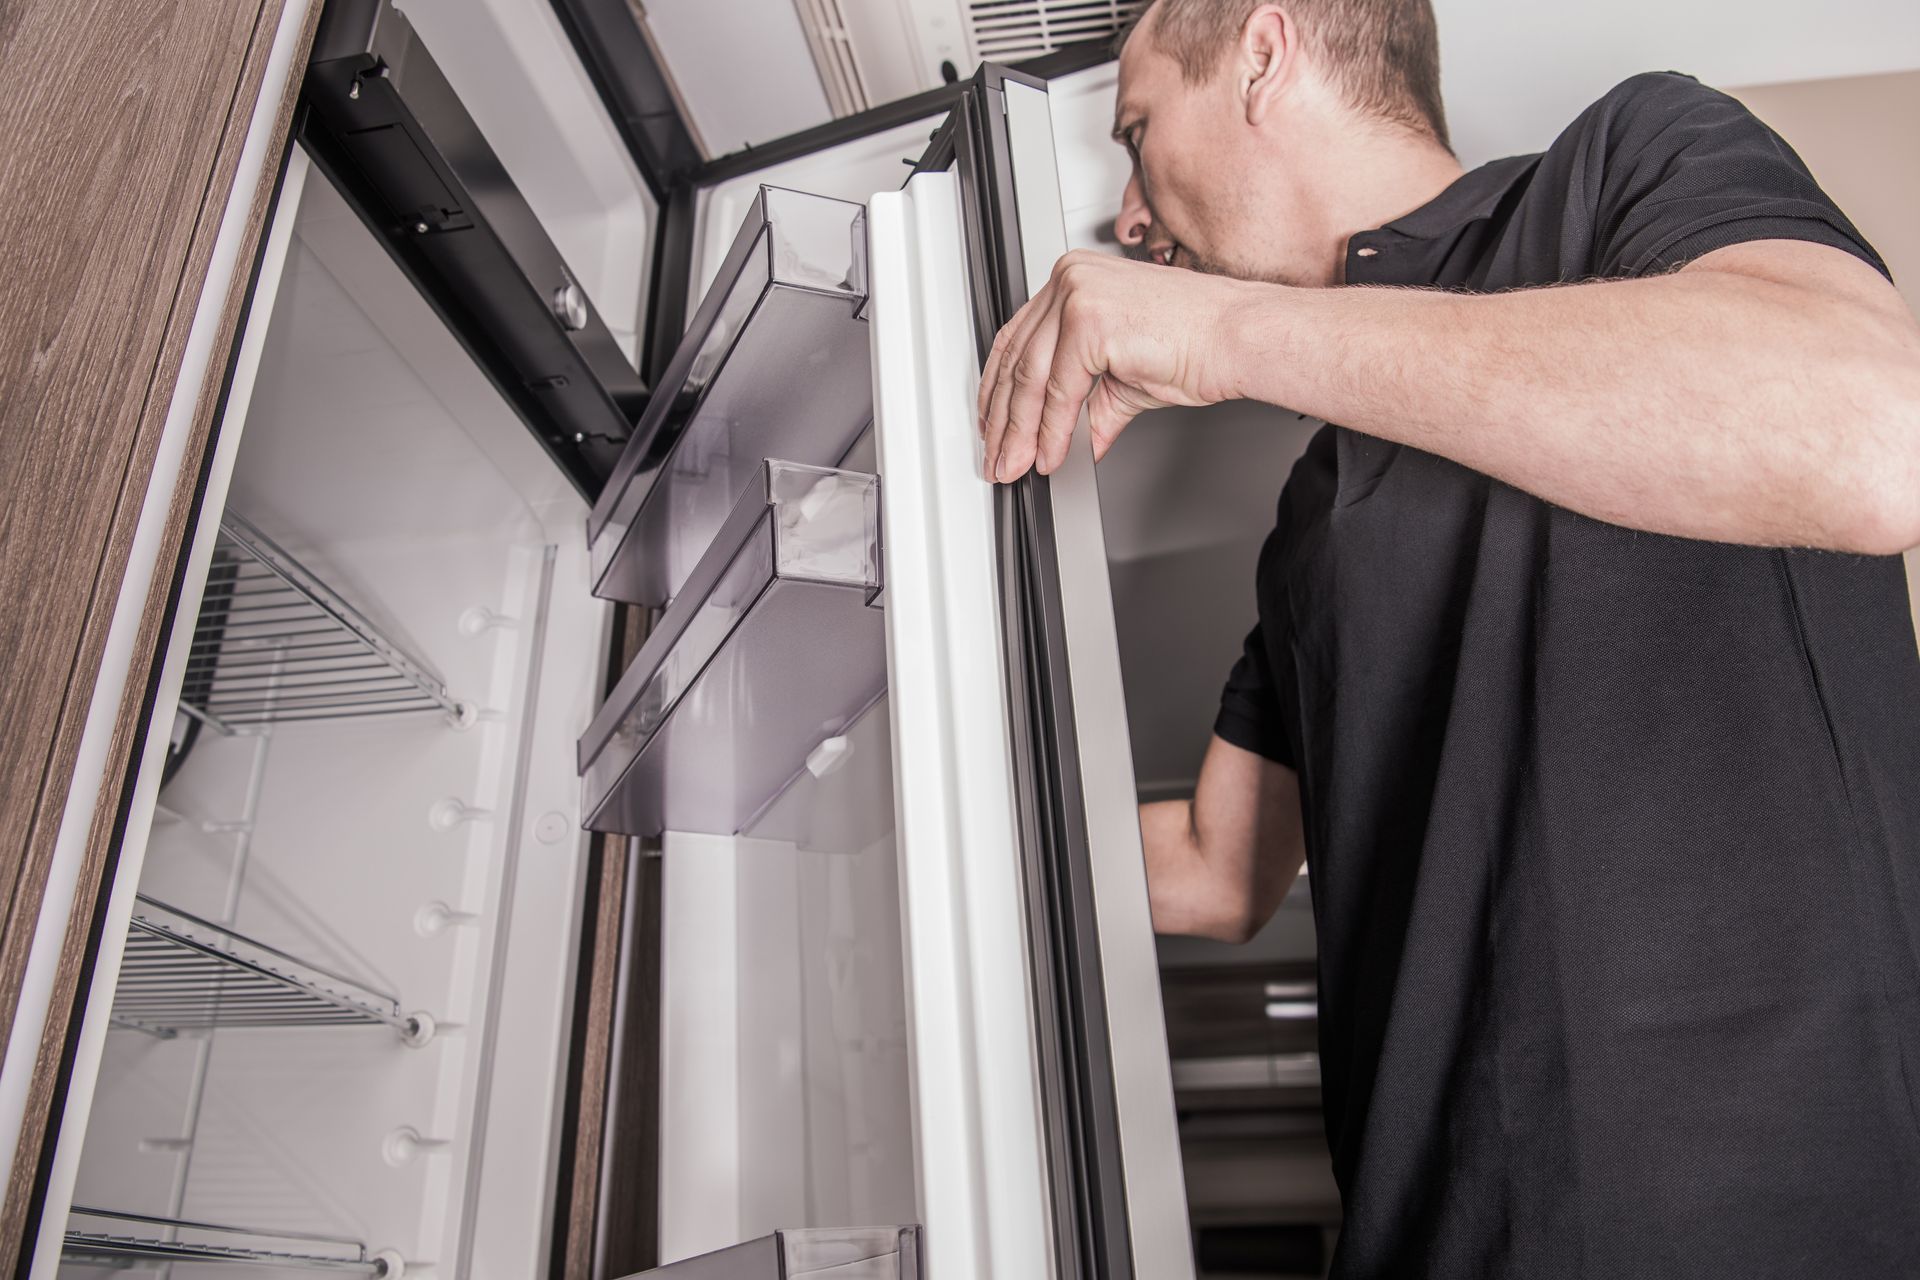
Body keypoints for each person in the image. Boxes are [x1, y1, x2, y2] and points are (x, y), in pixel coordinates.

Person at [975, 1, 1920, 1274]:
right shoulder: (1312, 513)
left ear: (1263, 52)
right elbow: (1217, 863)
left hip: (1774, 1216)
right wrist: (923, 786)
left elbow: (1872, 428)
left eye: (1137, 133)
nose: (1133, 216)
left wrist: (1223, 334)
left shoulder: (1626, 164)